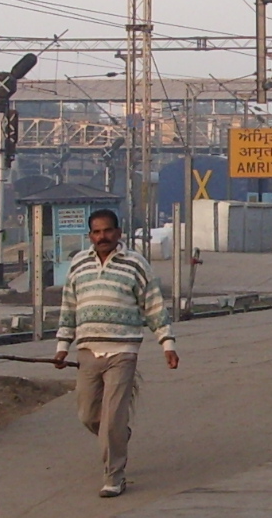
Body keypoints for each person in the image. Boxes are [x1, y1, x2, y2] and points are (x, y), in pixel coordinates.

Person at [52, 208, 179, 498]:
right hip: (87, 350)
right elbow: (68, 307)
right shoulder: (79, 265)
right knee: (87, 414)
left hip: (122, 350)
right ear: (89, 236)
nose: (102, 237)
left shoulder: (135, 264)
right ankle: (119, 436)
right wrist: (62, 347)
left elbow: (154, 304)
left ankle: (114, 476)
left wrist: (167, 343)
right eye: (96, 232)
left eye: (107, 231)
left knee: (111, 419)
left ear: (118, 233)